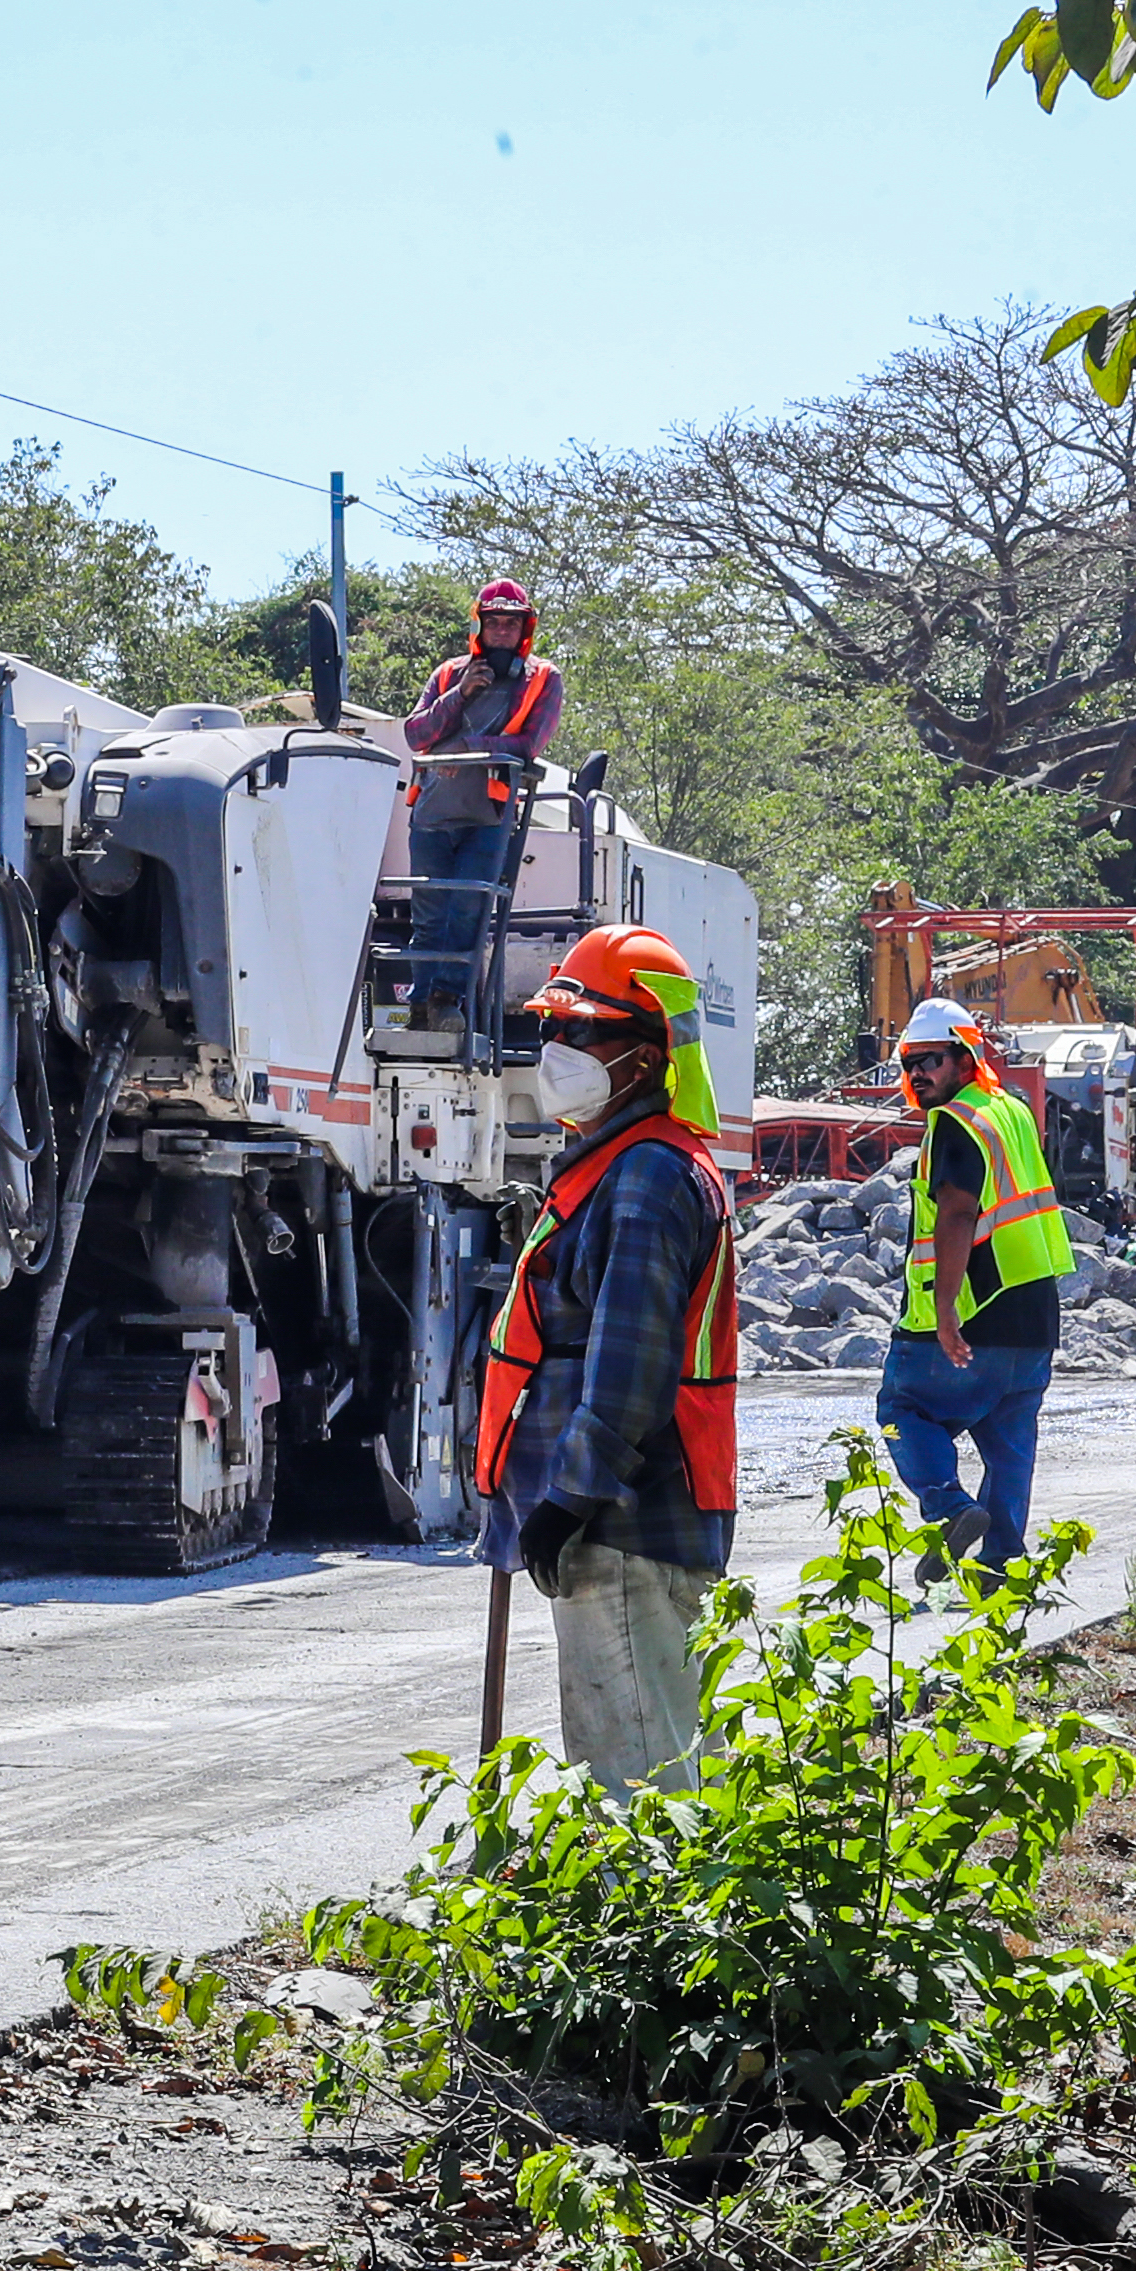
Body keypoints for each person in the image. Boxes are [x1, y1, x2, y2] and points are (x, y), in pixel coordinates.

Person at [468, 924, 743, 1790]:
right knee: (658, 1758)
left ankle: (659, 1924)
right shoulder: (615, 1167)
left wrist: (569, 1499)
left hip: (622, 1523)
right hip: (614, 1522)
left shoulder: (647, 1179)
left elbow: (632, 1368)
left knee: (639, 1782)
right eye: (552, 1029)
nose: (558, 1049)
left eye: (583, 1031)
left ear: (649, 1055)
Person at [878, 995, 1068, 1578]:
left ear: (965, 1060)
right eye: (911, 1062)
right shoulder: (1007, 1110)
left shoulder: (956, 1122)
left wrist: (942, 1312)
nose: (917, 1074)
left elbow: (958, 1214)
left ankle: (950, 1509)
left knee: (902, 1407)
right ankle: (1002, 1559)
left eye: (930, 1060)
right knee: (1008, 1440)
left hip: (975, 1308)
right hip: (1034, 1315)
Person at [399, 579, 567, 1028]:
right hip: (431, 814)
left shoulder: (544, 680)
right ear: (480, 626)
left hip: (488, 817)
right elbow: (415, 735)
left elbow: (528, 744)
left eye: (511, 623)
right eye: (494, 622)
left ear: (524, 629)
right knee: (429, 912)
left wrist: (467, 748)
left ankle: (446, 1002)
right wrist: (460, 694)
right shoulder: (449, 674)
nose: (502, 631)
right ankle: (419, 1007)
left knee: (470, 909)